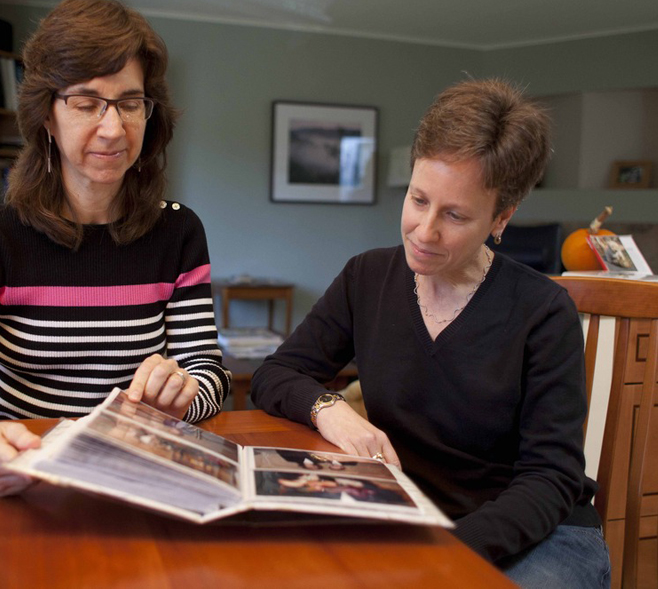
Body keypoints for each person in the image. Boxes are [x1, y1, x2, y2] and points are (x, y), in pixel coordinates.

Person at [251, 79, 610, 587]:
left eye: (455, 215)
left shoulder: (543, 311)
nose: (424, 232)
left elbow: (549, 480)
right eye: (419, 200)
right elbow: (277, 374)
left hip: (539, 534)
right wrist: (330, 410)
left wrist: (444, 551)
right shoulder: (367, 277)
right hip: (414, 513)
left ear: (501, 218)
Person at [0, 0, 230, 497]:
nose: (113, 129)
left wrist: (184, 397)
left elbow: (209, 373)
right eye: (87, 104)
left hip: (139, 478)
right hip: (29, 477)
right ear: (47, 115)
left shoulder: (179, 233)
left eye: (129, 103)